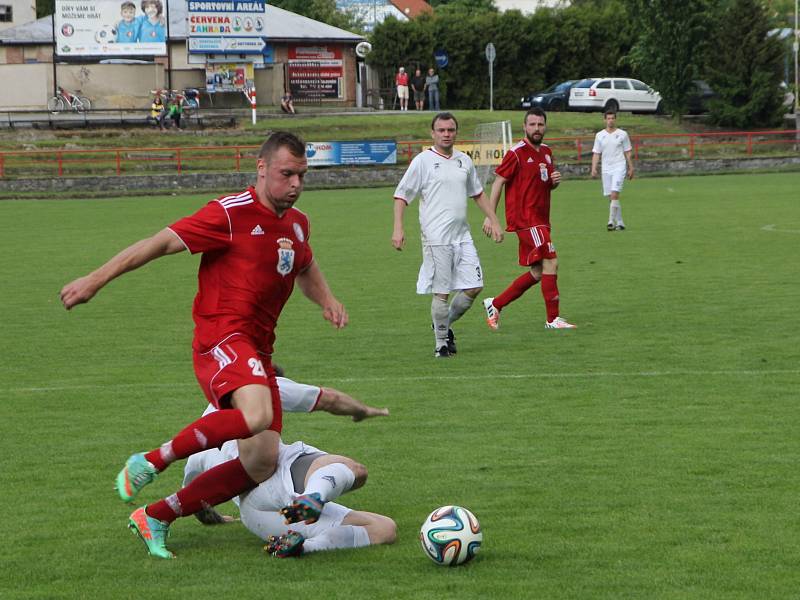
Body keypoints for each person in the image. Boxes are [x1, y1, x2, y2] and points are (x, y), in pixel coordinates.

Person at [60, 131, 348, 559]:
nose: (296, 184)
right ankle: (152, 460)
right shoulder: (229, 214)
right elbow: (157, 244)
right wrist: (94, 280)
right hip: (222, 339)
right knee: (256, 415)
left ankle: (155, 515)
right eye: (287, 174)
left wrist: (326, 299)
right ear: (262, 168)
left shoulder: (297, 224)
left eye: (302, 176)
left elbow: (304, 264)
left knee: (260, 461)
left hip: (258, 352)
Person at [184, 375, 394, 557]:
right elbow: (331, 399)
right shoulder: (260, 385)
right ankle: (312, 496)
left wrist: (213, 519)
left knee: (384, 528)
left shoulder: (200, 442)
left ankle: (303, 546)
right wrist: (362, 410)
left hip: (258, 514)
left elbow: (193, 492)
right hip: (275, 479)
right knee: (356, 470)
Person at [392, 112, 504, 358]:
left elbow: (477, 193)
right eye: (441, 130)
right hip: (436, 238)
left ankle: (443, 324)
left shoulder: (464, 160)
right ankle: (441, 344)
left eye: (450, 130)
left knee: (474, 286)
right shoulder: (422, 161)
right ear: (433, 133)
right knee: (441, 291)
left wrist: (494, 220)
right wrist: (398, 227)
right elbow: (402, 195)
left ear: (456, 132)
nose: (446, 134)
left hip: (462, 236)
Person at [481, 107, 576, 331]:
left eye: (540, 124)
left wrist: (554, 181)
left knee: (538, 271)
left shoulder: (546, 151)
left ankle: (495, 304)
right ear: (524, 126)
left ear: (545, 126)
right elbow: (498, 183)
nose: (536, 128)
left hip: (541, 219)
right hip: (526, 220)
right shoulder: (516, 152)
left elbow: (545, 183)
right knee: (551, 261)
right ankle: (553, 319)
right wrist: (491, 217)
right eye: (532, 124)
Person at [591, 110, 634, 231]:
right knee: (611, 197)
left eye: (612, 118)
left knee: (615, 193)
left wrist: (631, 167)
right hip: (606, 169)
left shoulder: (623, 134)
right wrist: (594, 167)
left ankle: (610, 221)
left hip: (619, 167)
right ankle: (620, 222)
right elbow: (596, 153)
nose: (610, 120)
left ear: (615, 120)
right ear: (605, 120)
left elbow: (627, 152)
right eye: (608, 118)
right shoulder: (599, 135)